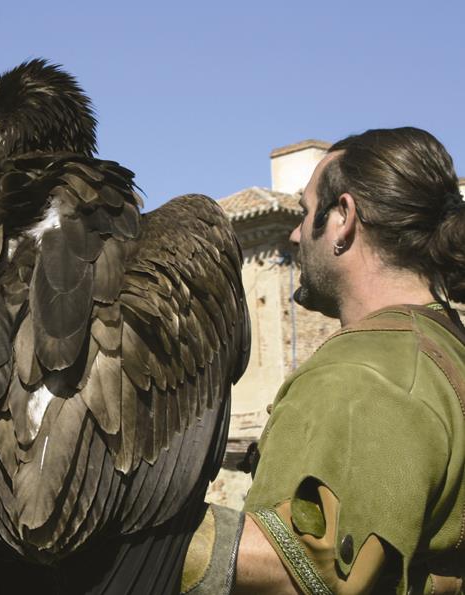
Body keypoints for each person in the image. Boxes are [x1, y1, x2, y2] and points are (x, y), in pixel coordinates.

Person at [181, 127, 465, 595]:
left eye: (305, 212)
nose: (294, 234)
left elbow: (299, 571)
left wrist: (140, 536)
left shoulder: (360, 375)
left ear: (343, 219)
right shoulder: (444, 344)